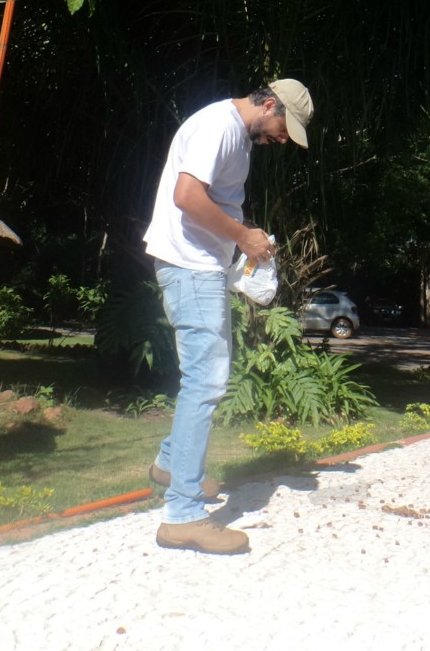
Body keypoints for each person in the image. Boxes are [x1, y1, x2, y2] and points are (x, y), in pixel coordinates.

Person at [143, 79, 314, 554]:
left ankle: (170, 467)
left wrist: (240, 249)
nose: (282, 139)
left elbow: (211, 204)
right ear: (269, 103)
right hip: (190, 269)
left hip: (202, 267)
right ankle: (183, 515)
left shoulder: (237, 136)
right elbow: (186, 196)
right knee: (206, 382)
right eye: (284, 127)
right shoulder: (219, 125)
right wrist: (242, 236)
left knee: (203, 379)